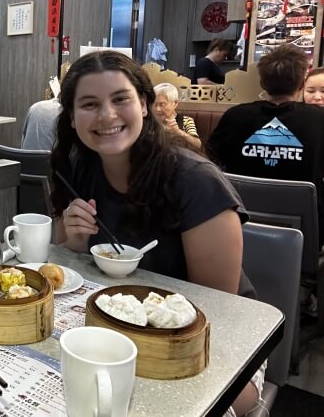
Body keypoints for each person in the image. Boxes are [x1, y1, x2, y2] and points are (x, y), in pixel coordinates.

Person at [50, 51, 261, 416]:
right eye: (89, 104)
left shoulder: (195, 181)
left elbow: (217, 310)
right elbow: (61, 249)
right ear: (72, 116)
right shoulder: (80, 166)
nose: (107, 116)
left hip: (215, 340)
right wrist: (73, 240)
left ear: (145, 104)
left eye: (121, 99)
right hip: (120, 325)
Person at [208, 44, 324, 249]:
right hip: (303, 241)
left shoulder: (235, 117)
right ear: (300, 85)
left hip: (236, 233)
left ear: (263, 83)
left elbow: (209, 163)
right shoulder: (318, 121)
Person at [152, 83, 201, 149]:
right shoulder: (150, 120)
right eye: (155, 105)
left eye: (162, 104)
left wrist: (178, 132)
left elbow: (198, 144)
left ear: (175, 103)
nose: (157, 109)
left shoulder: (186, 121)